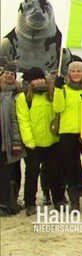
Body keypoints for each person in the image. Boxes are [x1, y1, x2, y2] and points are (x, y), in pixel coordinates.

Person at [53, 61, 82, 212]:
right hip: (68, 133)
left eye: (79, 71)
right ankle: (75, 203)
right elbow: (58, 108)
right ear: (69, 73)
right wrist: (58, 89)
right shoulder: (64, 89)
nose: (76, 74)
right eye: (73, 71)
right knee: (70, 168)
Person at [16, 68, 59, 216]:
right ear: (30, 82)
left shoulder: (51, 94)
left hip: (53, 141)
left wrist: (58, 88)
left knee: (54, 172)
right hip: (33, 143)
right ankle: (30, 203)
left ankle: (58, 199)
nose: (39, 81)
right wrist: (29, 141)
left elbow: (58, 111)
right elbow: (24, 121)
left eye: (41, 78)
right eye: (35, 79)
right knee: (32, 173)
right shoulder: (24, 98)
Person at [0, 72, 24, 216]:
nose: (9, 76)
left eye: (12, 74)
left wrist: (16, 142)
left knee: (11, 174)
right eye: (6, 73)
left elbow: (15, 121)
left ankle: (8, 202)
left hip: (8, 142)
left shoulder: (17, 93)